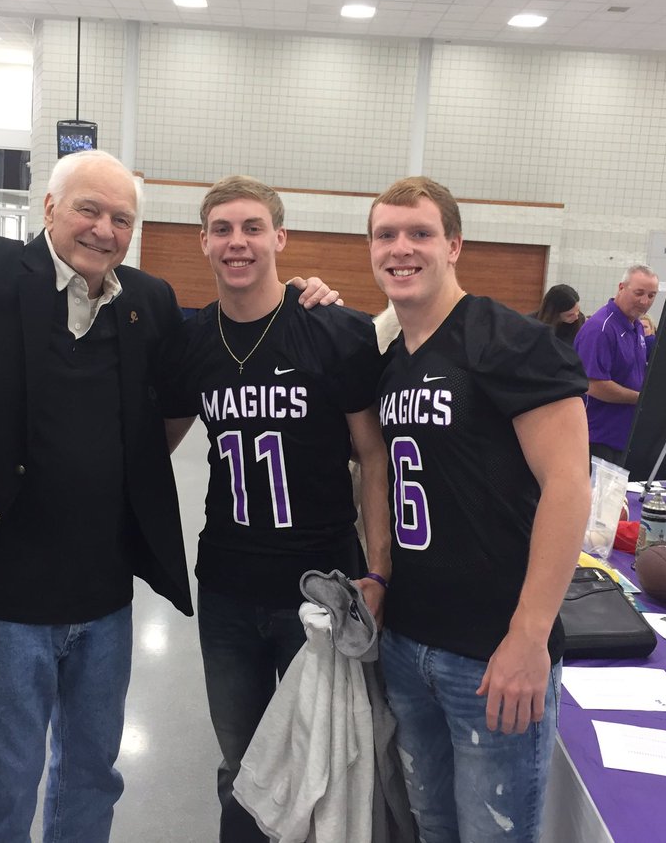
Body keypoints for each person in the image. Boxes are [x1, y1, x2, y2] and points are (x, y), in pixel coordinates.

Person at [0, 151, 338, 843]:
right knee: (6, 781)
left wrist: (307, 297)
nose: (104, 230)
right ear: (49, 209)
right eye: (88, 210)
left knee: (92, 775)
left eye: (121, 219)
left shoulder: (148, 302)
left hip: (103, 603)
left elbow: (207, 361)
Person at [161, 176, 391, 843]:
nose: (239, 242)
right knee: (243, 764)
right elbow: (153, 448)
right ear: (204, 242)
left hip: (320, 591)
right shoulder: (192, 340)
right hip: (228, 589)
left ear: (279, 238)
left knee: (323, 764)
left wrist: (378, 571)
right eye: (224, 229)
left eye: (253, 228)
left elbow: (374, 457)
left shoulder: (334, 330)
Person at [366, 177, 590, 842]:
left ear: (454, 244)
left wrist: (529, 636)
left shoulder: (507, 340)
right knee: (431, 828)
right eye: (386, 235)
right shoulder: (392, 359)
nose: (401, 249)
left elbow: (570, 487)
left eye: (420, 233)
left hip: (492, 651)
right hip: (408, 644)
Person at [572, 265, 659, 465]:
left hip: (623, 435)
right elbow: (594, 385)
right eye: (639, 293)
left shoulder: (636, 326)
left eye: (651, 295)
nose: (645, 301)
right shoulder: (600, 328)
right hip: (597, 437)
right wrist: (642, 399)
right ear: (621, 287)